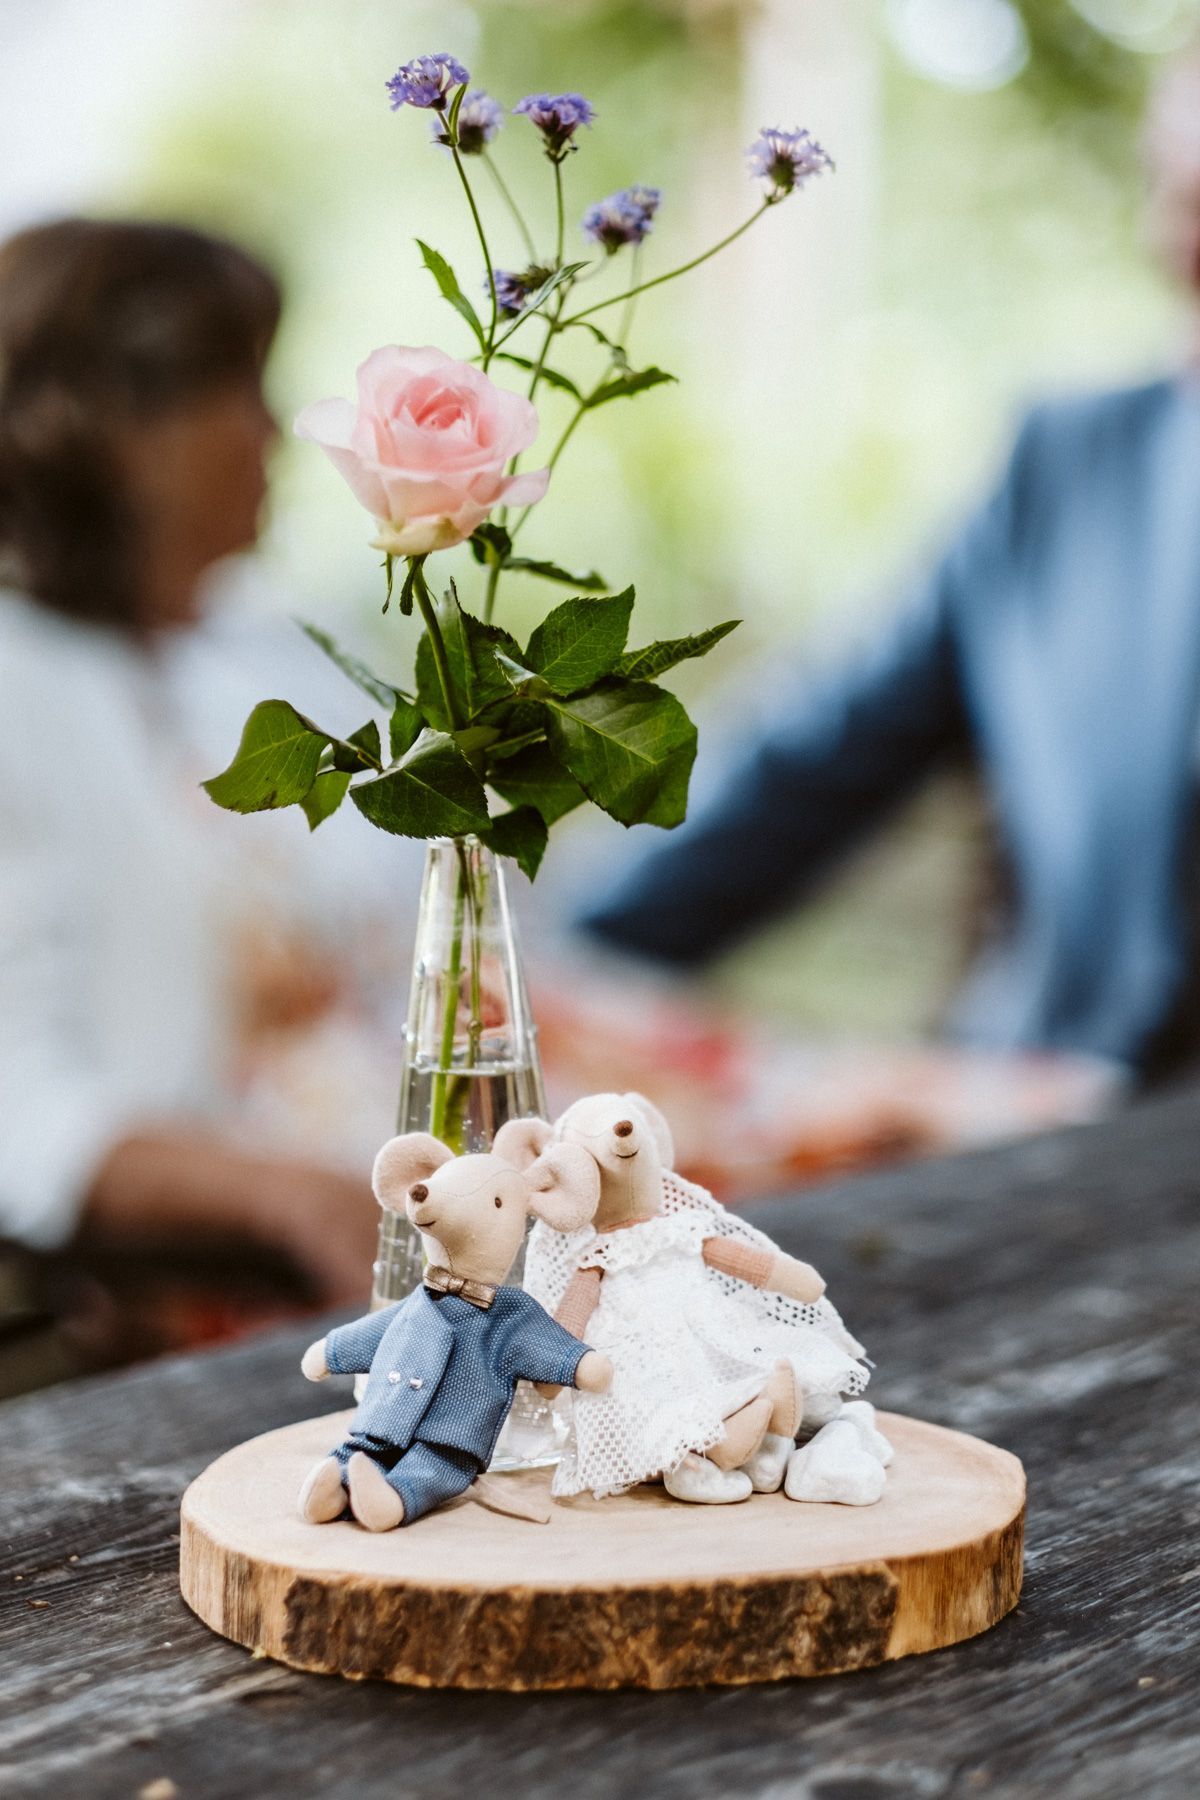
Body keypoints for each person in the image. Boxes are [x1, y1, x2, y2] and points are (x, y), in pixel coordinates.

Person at [581, 53, 1200, 1078]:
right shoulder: (1068, 467)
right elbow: (823, 755)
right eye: (1175, 198)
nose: (1169, 244)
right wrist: (549, 960)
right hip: (1043, 1117)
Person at [0, 217, 381, 1348]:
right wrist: (289, 1196)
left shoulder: (256, 657)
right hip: (219, 1281)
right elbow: (22, 1108)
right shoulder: (17, 685)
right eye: (241, 388)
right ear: (117, 427)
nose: (273, 431)